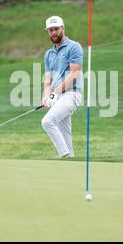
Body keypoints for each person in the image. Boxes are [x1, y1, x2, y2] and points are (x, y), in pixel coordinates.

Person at [41, 16, 84, 158]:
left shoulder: (74, 47)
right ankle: (69, 159)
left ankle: (64, 155)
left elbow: (74, 74)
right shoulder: (49, 54)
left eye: (56, 29)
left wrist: (55, 93)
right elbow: (48, 80)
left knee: (47, 121)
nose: (54, 33)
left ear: (63, 28)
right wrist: (46, 97)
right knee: (65, 135)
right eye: (50, 30)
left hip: (72, 94)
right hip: (58, 97)